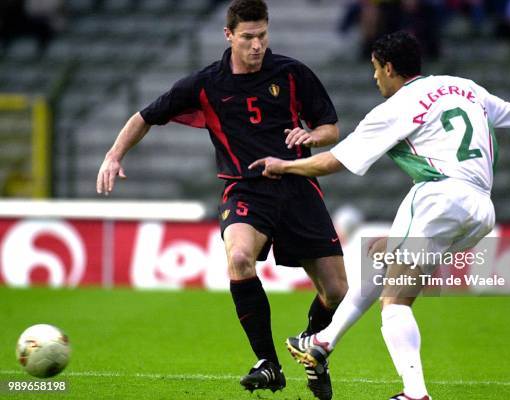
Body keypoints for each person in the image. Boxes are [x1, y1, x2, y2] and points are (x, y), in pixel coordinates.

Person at [250, 31, 510, 400]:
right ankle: (322, 341)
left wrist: (285, 166)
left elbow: (334, 160)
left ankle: (415, 393)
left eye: (375, 69)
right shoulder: (464, 87)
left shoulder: (396, 107)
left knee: (395, 301)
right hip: (480, 210)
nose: (373, 78)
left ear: (388, 67)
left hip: (439, 196)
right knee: (381, 255)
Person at [95, 1, 347, 399]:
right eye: (248, 37)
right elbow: (146, 115)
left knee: (336, 291)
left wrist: (311, 136)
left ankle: (313, 349)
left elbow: (330, 128)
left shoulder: (293, 73)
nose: (257, 45)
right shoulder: (206, 83)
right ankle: (267, 362)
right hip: (244, 189)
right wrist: (113, 154)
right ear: (228, 35)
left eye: (262, 35)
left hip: (298, 185)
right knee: (240, 258)